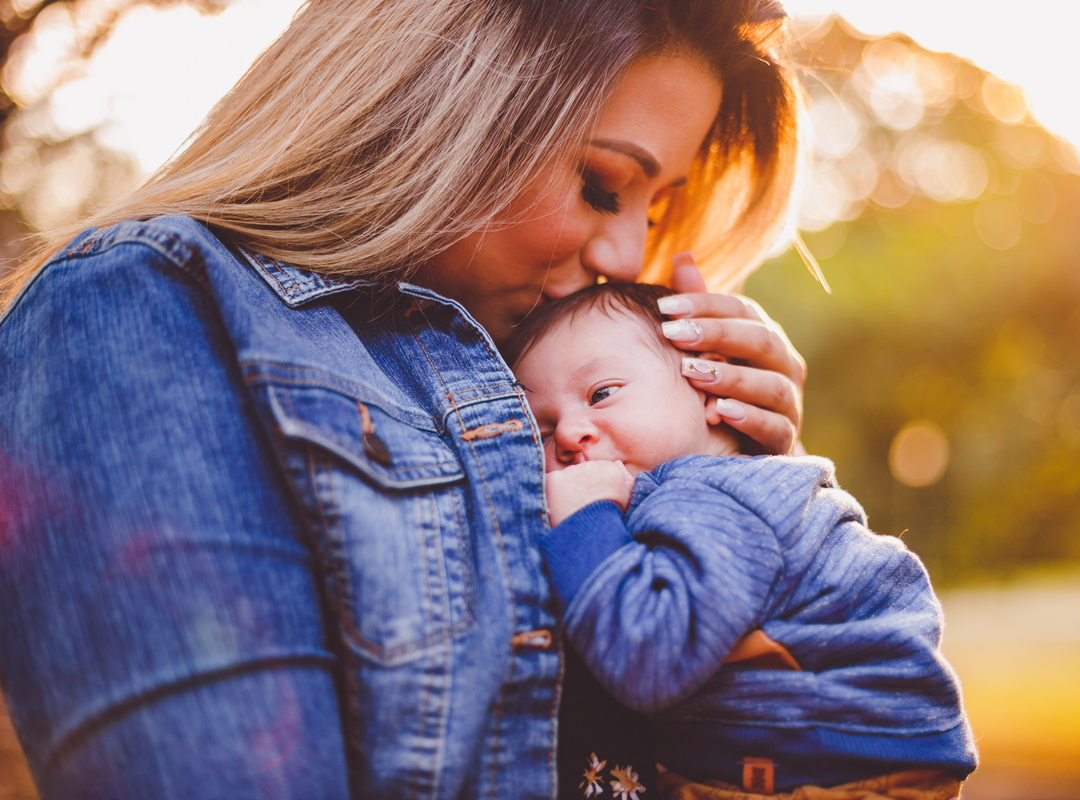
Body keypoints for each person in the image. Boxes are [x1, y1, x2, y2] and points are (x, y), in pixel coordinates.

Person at [0, 1, 810, 798]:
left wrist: (747, 483)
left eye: (655, 205)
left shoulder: (568, 390)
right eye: (603, 184)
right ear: (447, 108)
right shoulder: (145, 310)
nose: (628, 252)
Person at [503, 283, 978, 799]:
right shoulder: (731, 488)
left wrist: (584, 522)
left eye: (601, 394)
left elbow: (649, 658)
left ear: (709, 385)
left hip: (832, 771)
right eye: (543, 431)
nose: (571, 433)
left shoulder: (720, 499)